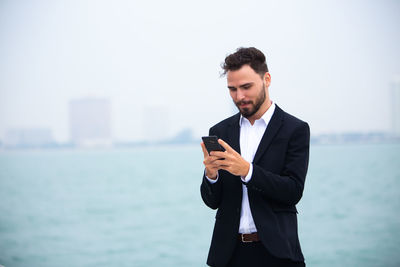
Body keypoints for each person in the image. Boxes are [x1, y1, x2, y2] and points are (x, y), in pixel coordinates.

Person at [200, 47, 310, 267]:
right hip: (228, 255)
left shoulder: (294, 129)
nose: (239, 96)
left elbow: (293, 191)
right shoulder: (219, 132)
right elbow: (212, 201)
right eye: (232, 89)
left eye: (246, 87)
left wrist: (247, 171)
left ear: (266, 79)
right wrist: (211, 175)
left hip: (277, 254)